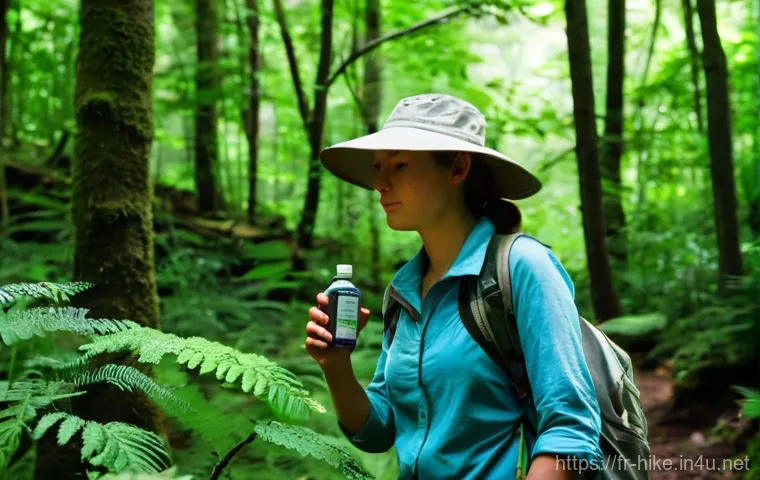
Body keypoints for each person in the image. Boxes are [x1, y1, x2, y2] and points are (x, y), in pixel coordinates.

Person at [305, 93, 602, 480]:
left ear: (458, 168)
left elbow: (572, 430)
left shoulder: (522, 269)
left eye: (400, 164)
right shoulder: (405, 289)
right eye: (379, 166)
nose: (379, 182)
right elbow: (378, 431)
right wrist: (335, 366)